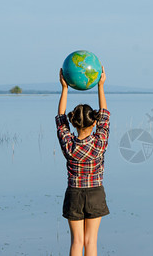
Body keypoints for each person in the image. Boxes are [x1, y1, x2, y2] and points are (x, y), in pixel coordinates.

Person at [56, 67, 110, 256]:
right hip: (95, 192)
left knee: (77, 242)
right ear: (93, 122)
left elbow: (60, 119)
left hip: (74, 195)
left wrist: (64, 88)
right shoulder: (99, 143)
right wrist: (100, 85)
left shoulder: (68, 144)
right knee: (90, 242)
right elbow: (104, 115)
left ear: (74, 123)